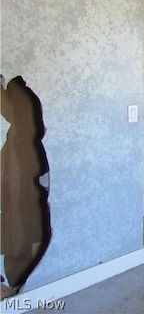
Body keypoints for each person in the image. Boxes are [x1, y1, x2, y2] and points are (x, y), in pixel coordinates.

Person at [0, 75, 51, 298]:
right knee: (19, 226)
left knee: (21, 227)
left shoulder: (21, 98)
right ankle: (16, 279)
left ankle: (17, 281)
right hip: (26, 177)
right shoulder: (20, 134)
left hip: (25, 180)